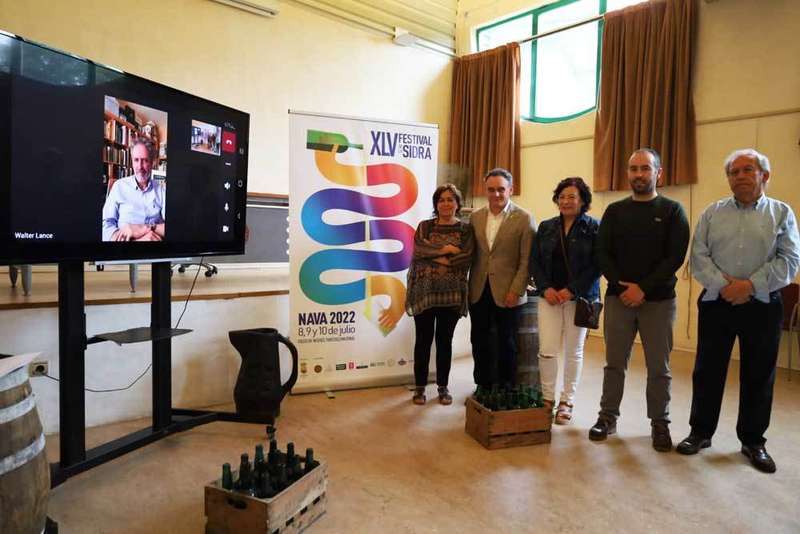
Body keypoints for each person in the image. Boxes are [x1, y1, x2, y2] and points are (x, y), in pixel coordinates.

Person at [676, 149, 800, 473]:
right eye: (734, 172)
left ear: (764, 176)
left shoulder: (782, 213)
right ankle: (700, 432)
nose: (740, 176)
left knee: (759, 374)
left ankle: (753, 441)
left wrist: (749, 286)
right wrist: (725, 286)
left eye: (748, 170)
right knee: (707, 370)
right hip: (717, 302)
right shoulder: (712, 213)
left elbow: (789, 260)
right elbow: (698, 256)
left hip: (763, 305)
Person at [589, 148, 690, 452]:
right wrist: (623, 288)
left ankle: (660, 422)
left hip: (658, 301)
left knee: (659, 367)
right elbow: (602, 253)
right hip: (619, 299)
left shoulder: (673, 211)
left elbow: (675, 256)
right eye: (633, 169)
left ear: (658, 173)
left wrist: (643, 288)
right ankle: (608, 416)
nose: (639, 174)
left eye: (645, 168)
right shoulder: (614, 211)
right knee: (614, 363)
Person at [530, 177, 600, 424]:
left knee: (573, 352)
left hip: (579, 299)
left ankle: (567, 401)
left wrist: (572, 290)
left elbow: (597, 265)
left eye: (572, 196)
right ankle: (547, 398)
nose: (566, 201)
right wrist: (545, 287)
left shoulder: (594, 227)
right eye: (562, 197)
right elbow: (534, 261)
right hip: (549, 297)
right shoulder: (546, 227)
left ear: (582, 201)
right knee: (547, 350)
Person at [405, 184, 474, 405]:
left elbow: (466, 258)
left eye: (450, 199)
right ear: (436, 204)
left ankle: (443, 387)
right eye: (441, 200)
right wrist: (448, 250)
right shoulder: (425, 227)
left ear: (457, 204)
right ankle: (420, 388)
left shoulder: (465, 230)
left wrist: (433, 255)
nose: (446, 203)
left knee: (445, 342)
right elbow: (419, 251)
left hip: (451, 296)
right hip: (423, 293)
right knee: (423, 341)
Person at [469, 168, 536, 389]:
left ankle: (507, 387)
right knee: (479, 340)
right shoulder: (475, 217)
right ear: (485, 190)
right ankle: (483, 386)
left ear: (510, 190)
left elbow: (527, 260)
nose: (496, 194)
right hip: (479, 289)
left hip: (509, 291)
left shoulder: (524, 218)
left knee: (507, 342)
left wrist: (516, 290)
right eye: (491, 189)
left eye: (501, 189)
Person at [102, 138, 165, 242]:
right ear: (132, 161)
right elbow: (105, 224)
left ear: (152, 163)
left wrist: (146, 227)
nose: (140, 167)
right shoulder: (119, 186)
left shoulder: (161, 190)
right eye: (136, 160)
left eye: (145, 160)